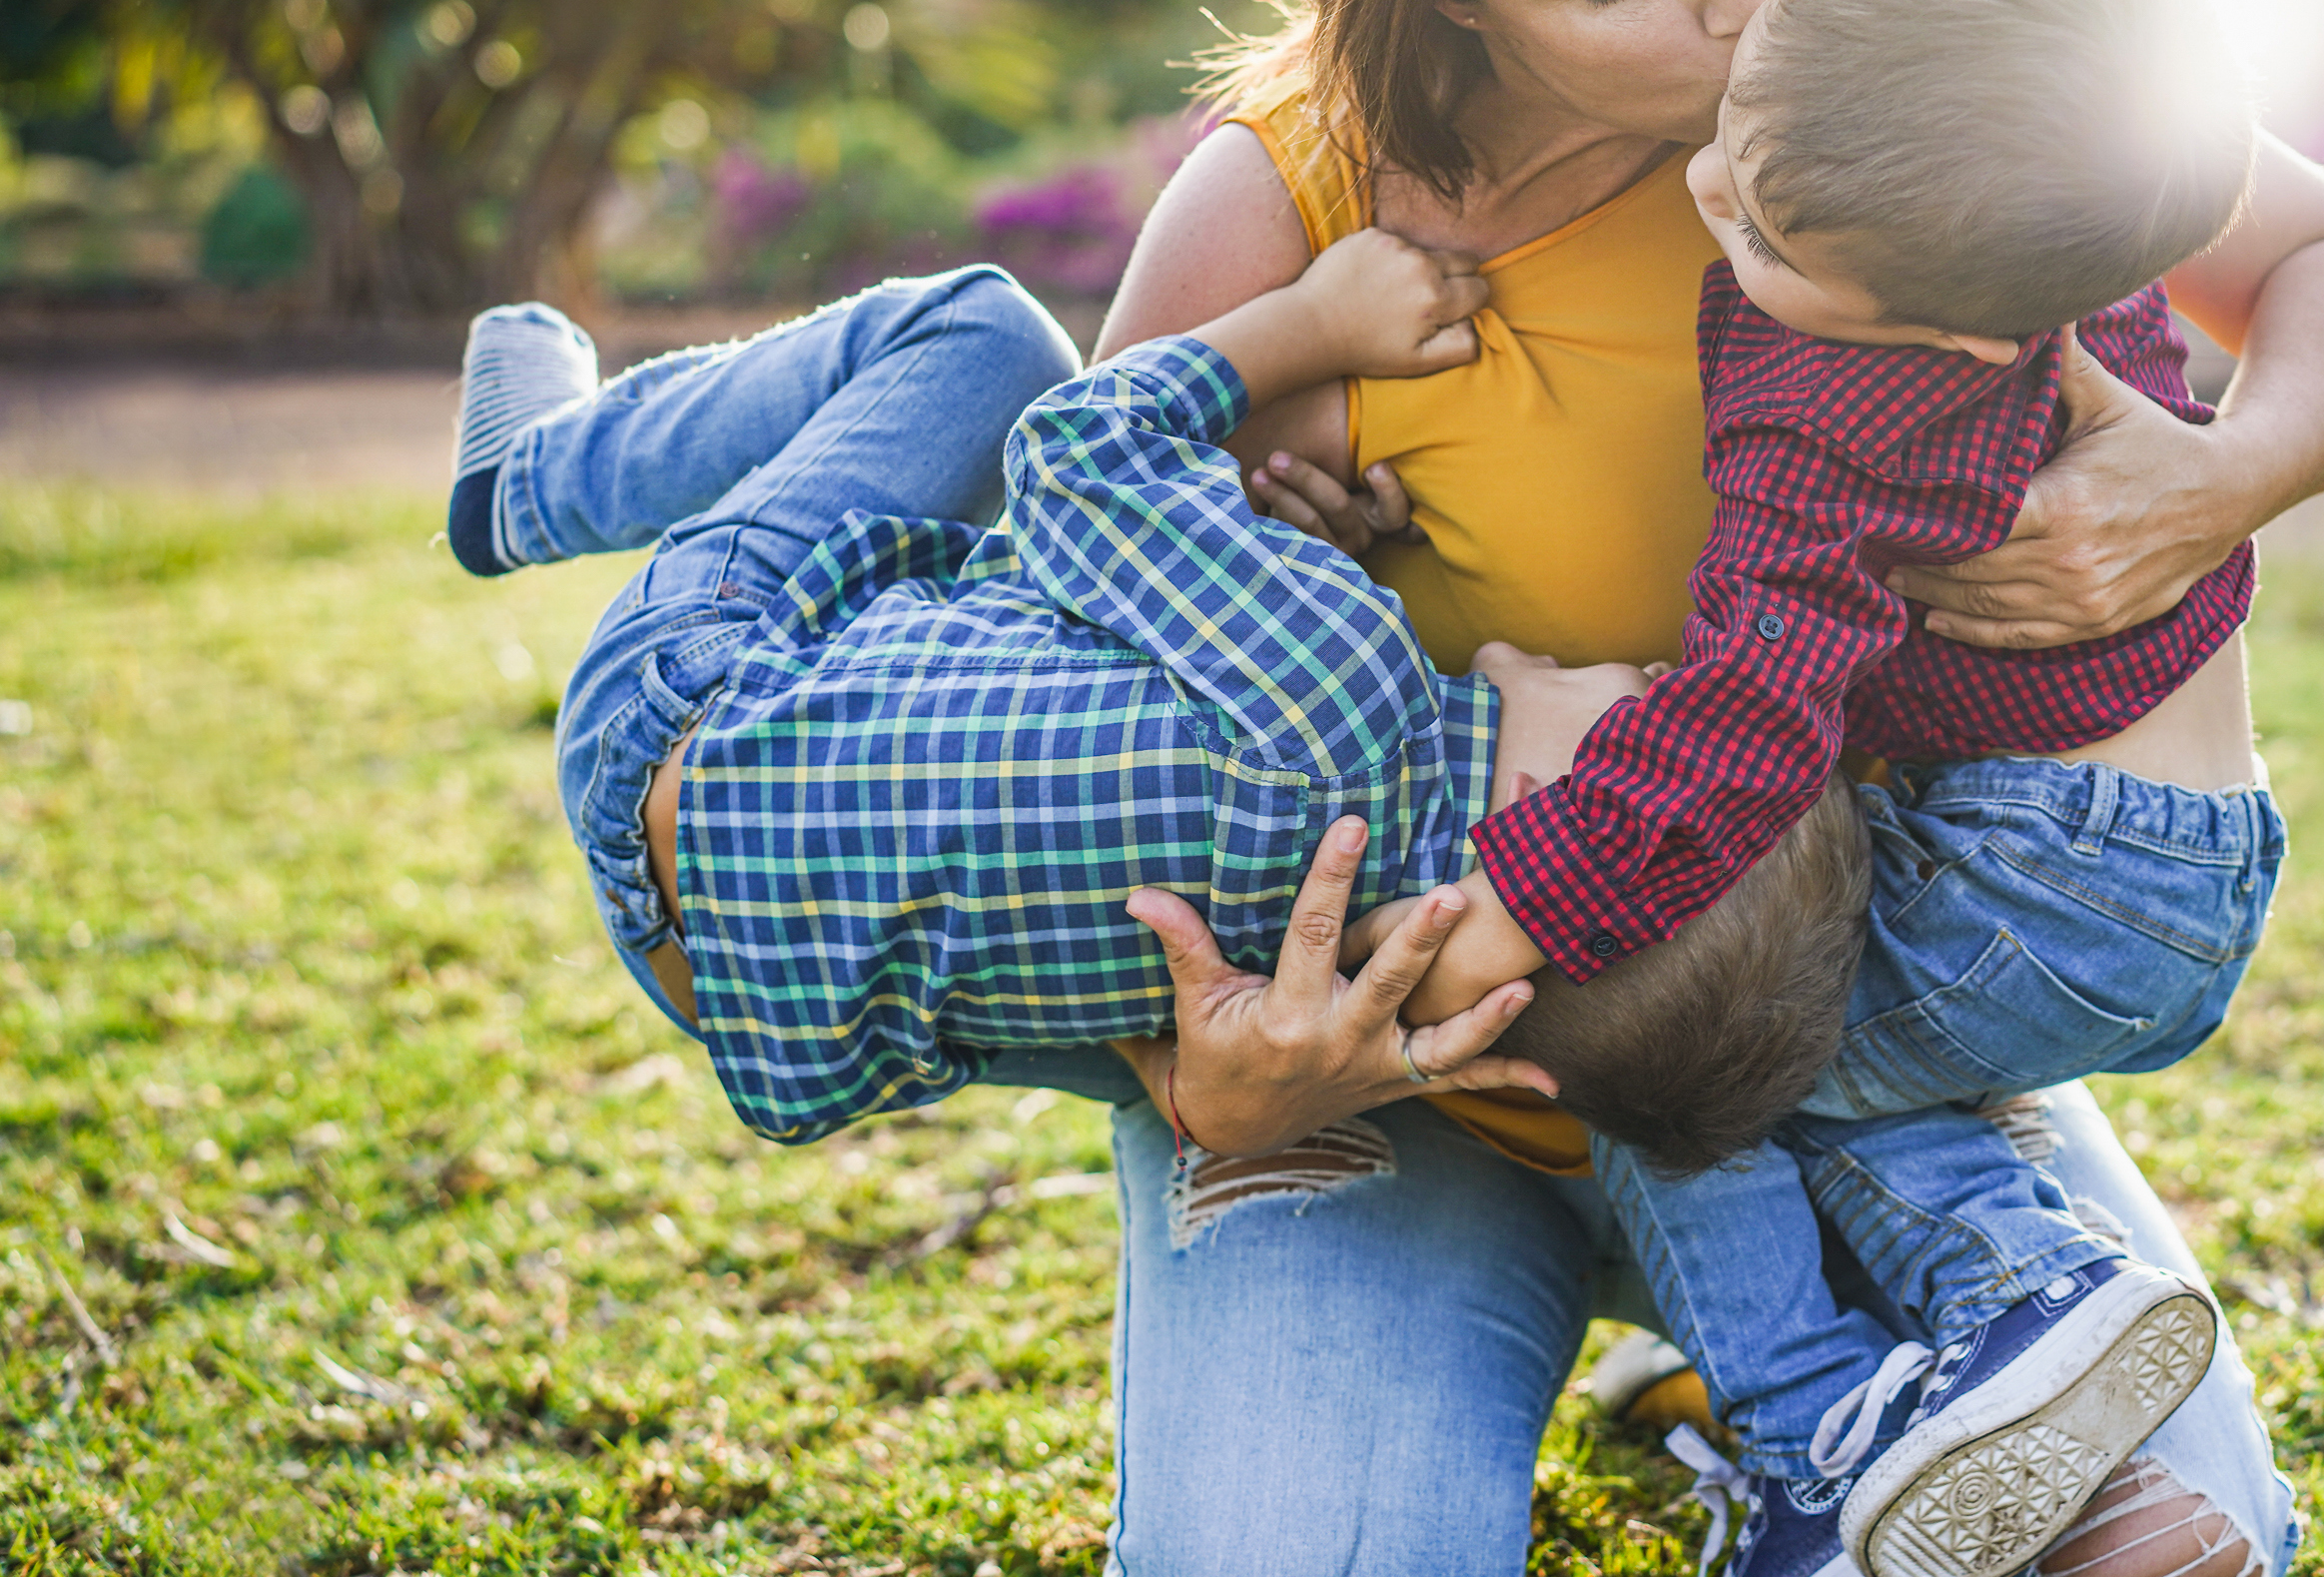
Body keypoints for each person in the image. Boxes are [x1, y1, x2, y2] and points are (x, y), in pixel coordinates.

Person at [1082, 0, 2324, 1572]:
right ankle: (1763, 1391)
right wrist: (1195, 1074)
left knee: (2176, 1535)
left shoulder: (1917, 47)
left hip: (1818, 1045)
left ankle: (1784, 1397)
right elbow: (1045, 624)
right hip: (1397, 1095)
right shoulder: (1289, 192)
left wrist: (2204, 479)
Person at [1448, 0, 2287, 1577]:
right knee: (1781, 1031)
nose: (1709, 194)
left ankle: (1860, 1401)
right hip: (2179, 848)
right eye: (1743, 132)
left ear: (1967, 338)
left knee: (1675, 1037)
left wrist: (1524, 899)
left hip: (2043, 894)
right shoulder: (2034, 194)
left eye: (1760, 228)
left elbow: (1745, 729)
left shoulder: (1845, 409)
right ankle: (1919, 1332)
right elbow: (2027, 19)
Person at [441, 231, 1874, 1170]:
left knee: (990, 337)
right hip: (737, 999)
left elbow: (1076, 444)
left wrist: (1310, 326)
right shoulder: (1319, 1018)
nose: (1638, 662)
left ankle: (535, 475)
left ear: (1565, 805)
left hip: (681, 714)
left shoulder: (1343, 678)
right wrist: (1292, 554)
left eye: (1647, 696)